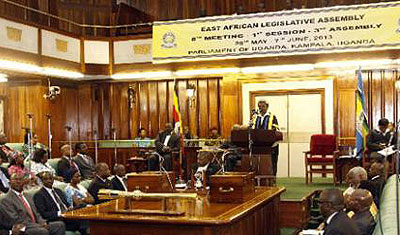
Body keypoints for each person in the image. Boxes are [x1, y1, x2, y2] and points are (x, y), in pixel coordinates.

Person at [0, 173, 65, 235]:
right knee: (42, 231)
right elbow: (15, 220)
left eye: (20, 179)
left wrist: (42, 222)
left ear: (24, 182)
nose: (18, 182)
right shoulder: (6, 199)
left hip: (37, 224)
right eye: (15, 179)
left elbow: (36, 213)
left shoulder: (28, 195)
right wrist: (38, 225)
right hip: (24, 228)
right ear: (10, 182)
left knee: (59, 225)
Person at [253, 100, 280, 176]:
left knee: (272, 162)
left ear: (267, 107)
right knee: (260, 163)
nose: (261, 108)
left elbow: (276, 129)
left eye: (263, 106)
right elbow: (252, 129)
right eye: (259, 107)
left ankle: (272, 179)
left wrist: (268, 134)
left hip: (271, 145)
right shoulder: (255, 117)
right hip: (259, 145)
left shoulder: (272, 117)